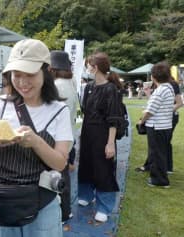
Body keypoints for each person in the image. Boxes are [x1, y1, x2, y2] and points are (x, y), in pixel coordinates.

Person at [0, 39, 73, 237]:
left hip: (42, 203)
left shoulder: (59, 111)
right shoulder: (0, 104)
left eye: (30, 75)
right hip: (2, 200)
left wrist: (36, 141)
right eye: (17, 75)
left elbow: (60, 163)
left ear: (47, 71)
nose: (23, 83)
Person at [78, 52, 122, 223]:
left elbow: (114, 119)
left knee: (103, 168)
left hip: (103, 134)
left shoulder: (111, 89)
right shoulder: (89, 87)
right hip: (88, 132)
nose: (87, 68)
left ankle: (104, 205)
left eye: (89, 65)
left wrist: (110, 143)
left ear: (95, 68)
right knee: (86, 164)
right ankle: (86, 194)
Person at [49, 50, 78, 223]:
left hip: (58, 138)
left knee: (58, 177)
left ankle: (62, 212)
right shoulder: (69, 83)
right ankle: (65, 211)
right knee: (63, 175)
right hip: (68, 136)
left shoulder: (58, 86)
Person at [136, 62, 175, 188]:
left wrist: (141, 121)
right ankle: (161, 177)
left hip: (157, 127)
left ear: (153, 77)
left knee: (157, 153)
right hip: (165, 126)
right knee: (160, 153)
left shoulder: (161, 90)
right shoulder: (168, 88)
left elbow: (150, 110)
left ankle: (159, 180)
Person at [136, 75, 182, 174]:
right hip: (164, 118)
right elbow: (154, 103)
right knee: (162, 144)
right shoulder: (163, 86)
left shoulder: (170, 85)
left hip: (165, 119)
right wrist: (148, 94)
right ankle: (165, 168)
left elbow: (179, 103)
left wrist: (166, 111)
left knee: (158, 145)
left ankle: (157, 169)